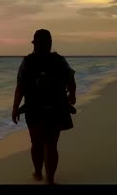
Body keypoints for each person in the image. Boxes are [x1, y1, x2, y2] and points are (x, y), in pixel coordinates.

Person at [12, 29, 76, 185]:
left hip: (34, 108)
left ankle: (39, 174)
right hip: (56, 107)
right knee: (51, 145)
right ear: (50, 43)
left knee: (36, 143)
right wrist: (72, 96)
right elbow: (71, 80)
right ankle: (50, 180)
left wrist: (15, 107)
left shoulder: (28, 62)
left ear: (35, 44)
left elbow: (20, 87)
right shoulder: (59, 60)